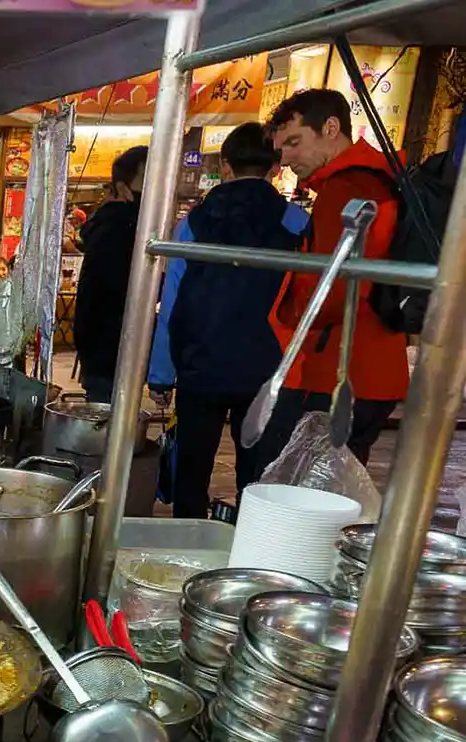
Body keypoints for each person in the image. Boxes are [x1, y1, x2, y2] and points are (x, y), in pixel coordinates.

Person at [148, 124, 310, 517]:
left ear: (225, 165)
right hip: (266, 371)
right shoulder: (296, 223)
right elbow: (304, 302)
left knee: (192, 471)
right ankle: (246, 552)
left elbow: (171, 304)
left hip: (200, 367)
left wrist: (161, 374)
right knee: (256, 476)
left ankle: (187, 550)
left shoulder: (193, 224)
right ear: (275, 166)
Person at [256, 88, 410, 467]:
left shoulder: (347, 188)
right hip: (366, 367)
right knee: (334, 482)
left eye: (294, 143)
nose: (286, 158)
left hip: (343, 369)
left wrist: (293, 314)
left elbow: (335, 287)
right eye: (281, 149)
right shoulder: (374, 179)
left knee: (308, 487)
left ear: (330, 128)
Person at [73, 146, 148, 405]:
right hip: (110, 348)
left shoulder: (120, 224)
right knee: (107, 423)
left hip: (108, 348)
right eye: (145, 180)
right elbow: (116, 290)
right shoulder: (118, 229)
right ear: (124, 187)